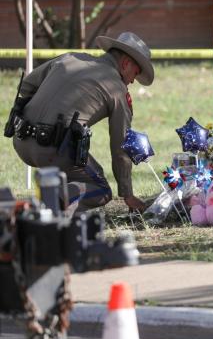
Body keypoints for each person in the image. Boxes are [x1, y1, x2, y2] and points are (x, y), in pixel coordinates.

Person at [7, 32, 154, 214]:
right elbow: (120, 147)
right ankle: (48, 206)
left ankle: (48, 200)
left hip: (20, 140)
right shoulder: (117, 89)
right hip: (53, 150)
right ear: (125, 64)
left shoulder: (71, 57)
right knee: (101, 189)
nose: (133, 80)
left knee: (75, 167)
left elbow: (26, 86)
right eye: (136, 73)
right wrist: (127, 194)